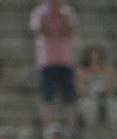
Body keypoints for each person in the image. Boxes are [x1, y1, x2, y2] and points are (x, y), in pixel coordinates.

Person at [30, 0, 80, 130]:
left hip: (66, 60)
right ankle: (47, 129)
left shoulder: (67, 12)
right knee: (47, 97)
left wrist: (61, 19)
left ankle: (72, 128)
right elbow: (40, 30)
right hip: (47, 61)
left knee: (70, 97)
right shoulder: (40, 12)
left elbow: (70, 31)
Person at [77, 44, 117, 130]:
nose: (94, 57)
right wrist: (90, 91)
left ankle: (113, 128)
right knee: (90, 104)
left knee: (111, 103)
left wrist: (105, 92)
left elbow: (113, 86)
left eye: (96, 54)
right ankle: (92, 127)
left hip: (106, 96)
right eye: (92, 54)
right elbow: (80, 89)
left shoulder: (108, 70)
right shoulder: (82, 71)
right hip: (89, 97)